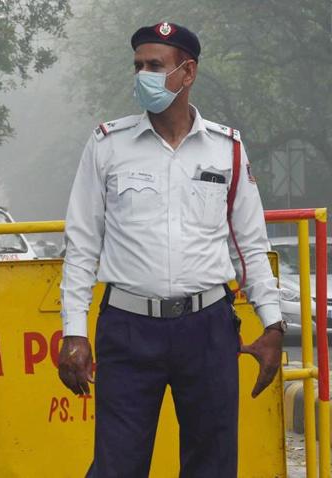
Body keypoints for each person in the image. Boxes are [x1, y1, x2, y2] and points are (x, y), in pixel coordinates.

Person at [57, 21, 284, 478]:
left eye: (155, 65)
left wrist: (275, 324)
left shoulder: (227, 149)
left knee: (212, 464)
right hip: (127, 329)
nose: (143, 74)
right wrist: (73, 331)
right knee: (117, 466)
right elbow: (81, 243)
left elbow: (250, 246)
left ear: (188, 72)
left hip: (208, 329)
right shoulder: (108, 145)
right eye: (138, 65)